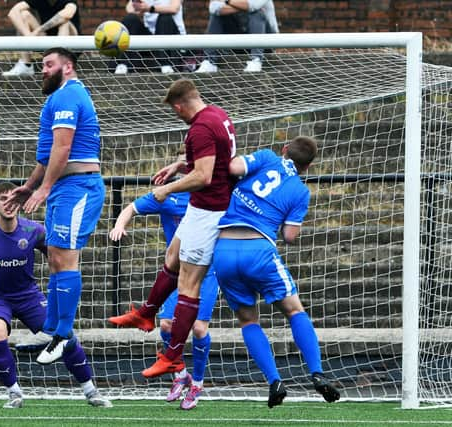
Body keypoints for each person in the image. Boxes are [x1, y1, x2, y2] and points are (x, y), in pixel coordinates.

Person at [0, 182, 111, 408]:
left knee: (62, 335)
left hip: (29, 297)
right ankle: (14, 393)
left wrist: (65, 284)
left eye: (12, 199)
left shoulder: (34, 231)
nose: (8, 204)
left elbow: (58, 257)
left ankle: (90, 390)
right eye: (3, 200)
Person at [109, 78, 235, 381]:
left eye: (175, 111)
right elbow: (209, 160)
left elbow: (204, 175)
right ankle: (146, 313)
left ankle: (173, 356)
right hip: (202, 206)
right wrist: (180, 164)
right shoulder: (217, 114)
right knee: (172, 256)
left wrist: (168, 189)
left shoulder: (200, 128)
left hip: (210, 211)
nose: (176, 115)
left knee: (188, 285)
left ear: (179, 106)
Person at [212, 136, 340, 408]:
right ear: (308, 167)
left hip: (223, 249)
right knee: (294, 310)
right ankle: (317, 373)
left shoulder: (268, 158)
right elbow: (290, 235)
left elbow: (234, 168)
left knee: (248, 320)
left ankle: (274, 380)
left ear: (284, 150)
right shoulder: (300, 190)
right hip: (259, 250)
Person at [6, 47, 106, 366]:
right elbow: (49, 155)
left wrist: (45, 188)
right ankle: (49, 331)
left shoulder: (68, 95)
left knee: (65, 257)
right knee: (54, 257)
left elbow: (64, 148)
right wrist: (30, 185)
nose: (43, 69)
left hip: (79, 187)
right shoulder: (54, 99)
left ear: (68, 67)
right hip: (65, 186)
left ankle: (63, 336)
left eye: (49, 64)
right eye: (42, 65)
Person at [109, 189, 219, 409]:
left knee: (198, 328)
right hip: (178, 269)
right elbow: (131, 207)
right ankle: (181, 374)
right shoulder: (168, 194)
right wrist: (119, 225)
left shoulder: (213, 194)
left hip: (207, 272)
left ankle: (197, 383)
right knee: (166, 325)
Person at [196, 0, 278, 73]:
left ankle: (256, 60)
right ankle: (210, 62)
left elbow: (253, 6)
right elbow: (213, 8)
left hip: (266, 41)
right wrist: (243, 7)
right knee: (216, 15)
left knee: (257, 13)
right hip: (238, 41)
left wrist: (227, 1)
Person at [2, 0, 80, 77]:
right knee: (24, 15)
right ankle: (26, 65)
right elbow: (12, 13)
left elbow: (68, 14)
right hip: (47, 40)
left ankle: (60, 64)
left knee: (65, 22)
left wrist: (39, 30)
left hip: (71, 45)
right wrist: (28, 36)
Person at [113, 0, 187, 75]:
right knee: (130, 18)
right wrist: (138, 7)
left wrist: (149, 8)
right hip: (150, 39)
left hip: (173, 38)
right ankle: (123, 64)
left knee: (165, 17)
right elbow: (129, 8)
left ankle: (166, 64)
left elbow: (174, 9)